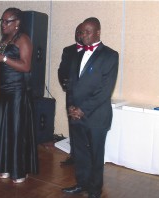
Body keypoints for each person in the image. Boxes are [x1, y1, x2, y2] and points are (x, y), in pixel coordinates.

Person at [62, 17, 119, 198]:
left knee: (95, 155)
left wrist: (83, 109)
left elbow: (105, 90)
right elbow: (70, 84)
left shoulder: (111, 55)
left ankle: (95, 190)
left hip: (96, 115)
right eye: (81, 32)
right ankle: (81, 183)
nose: (83, 35)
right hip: (76, 114)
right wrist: (71, 106)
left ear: (97, 33)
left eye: (87, 32)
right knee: (80, 154)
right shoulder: (76, 54)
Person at [0, 7, 38, 184]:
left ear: (17, 23)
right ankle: (5, 167)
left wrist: (3, 58)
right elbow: (0, 67)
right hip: (3, 91)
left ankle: (19, 170)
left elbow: (26, 66)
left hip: (17, 92)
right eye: (2, 21)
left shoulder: (23, 39)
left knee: (16, 131)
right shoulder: (4, 40)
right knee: (5, 130)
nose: (3, 24)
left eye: (6, 21)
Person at [58, 23, 83, 166]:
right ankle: (73, 155)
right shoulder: (68, 50)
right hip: (72, 94)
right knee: (73, 125)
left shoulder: (92, 51)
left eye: (82, 32)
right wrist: (64, 84)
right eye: (77, 32)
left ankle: (85, 157)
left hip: (87, 97)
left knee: (85, 127)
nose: (79, 35)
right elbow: (61, 70)